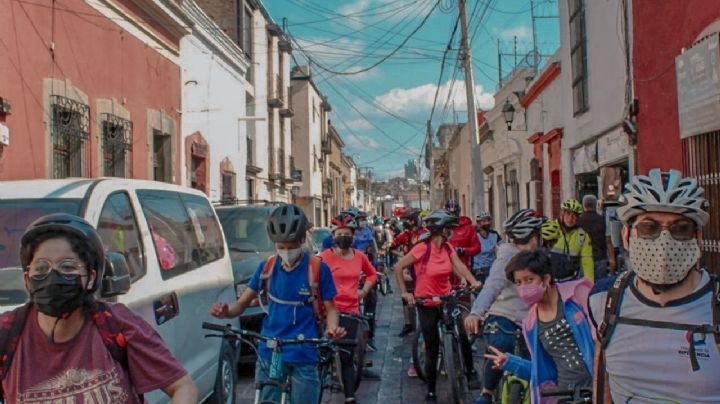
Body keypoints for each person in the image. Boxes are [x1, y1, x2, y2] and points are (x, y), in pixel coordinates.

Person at [0, 214, 197, 402]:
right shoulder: (6, 334)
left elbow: (182, 387)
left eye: (67, 267)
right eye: (41, 268)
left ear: (91, 278)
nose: (53, 277)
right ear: (27, 279)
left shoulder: (116, 325)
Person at [589, 169, 720, 403]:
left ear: (697, 239)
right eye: (649, 228)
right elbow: (603, 387)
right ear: (627, 236)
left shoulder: (715, 304)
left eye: (680, 228)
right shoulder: (605, 300)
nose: (664, 242)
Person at [210, 204, 345, 403]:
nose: (286, 252)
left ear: (301, 241)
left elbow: (331, 309)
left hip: (304, 353)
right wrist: (226, 311)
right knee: (268, 397)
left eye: (291, 247)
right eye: (281, 247)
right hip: (272, 353)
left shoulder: (317, 269)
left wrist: (333, 329)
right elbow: (241, 305)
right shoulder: (267, 268)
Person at [394, 209, 482, 402]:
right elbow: (398, 267)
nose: (451, 231)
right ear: (440, 229)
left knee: (462, 333)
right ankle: (431, 390)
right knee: (431, 347)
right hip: (425, 301)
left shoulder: (448, 248)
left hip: (446, 298)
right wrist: (405, 292)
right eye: (448, 228)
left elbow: (459, 266)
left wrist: (472, 280)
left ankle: (470, 371)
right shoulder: (421, 248)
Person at [485, 250, 595, 402]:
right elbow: (541, 372)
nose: (523, 287)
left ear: (546, 279)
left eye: (529, 279)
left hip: (601, 388)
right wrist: (510, 362)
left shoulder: (578, 295)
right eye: (518, 282)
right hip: (565, 395)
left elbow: (604, 341)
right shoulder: (530, 324)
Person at [464, 208, 546, 404]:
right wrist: (476, 312)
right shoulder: (507, 257)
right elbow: (492, 286)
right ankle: (487, 393)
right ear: (533, 236)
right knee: (500, 345)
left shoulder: (541, 257)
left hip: (534, 318)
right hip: (504, 316)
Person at [319, 213, 377, 402]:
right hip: (327, 309)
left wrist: (364, 291)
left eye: (347, 233)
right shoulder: (323, 257)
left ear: (353, 236)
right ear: (333, 236)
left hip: (351, 309)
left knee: (346, 354)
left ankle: (350, 396)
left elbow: (372, 274)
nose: (342, 237)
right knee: (323, 352)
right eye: (339, 233)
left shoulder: (359, 257)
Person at [389, 207, 425, 338]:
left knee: (424, 301)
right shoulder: (405, 235)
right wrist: (403, 256)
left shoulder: (425, 234)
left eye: (408, 220)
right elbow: (391, 247)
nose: (406, 223)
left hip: (423, 272)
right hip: (408, 272)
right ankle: (408, 324)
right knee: (406, 299)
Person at [547, 199, 595, 282]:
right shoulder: (550, 229)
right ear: (562, 214)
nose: (570, 219)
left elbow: (587, 261)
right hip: (549, 281)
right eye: (568, 214)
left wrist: (589, 283)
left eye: (574, 216)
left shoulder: (582, 236)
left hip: (570, 281)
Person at [577, 194, 609, 280]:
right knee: (601, 286)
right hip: (600, 258)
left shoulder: (578, 221)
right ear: (595, 205)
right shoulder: (602, 220)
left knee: (584, 286)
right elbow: (608, 240)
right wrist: (612, 258)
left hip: (584, 259)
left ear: (583, 205)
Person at [445, 199, 481, 274]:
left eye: (454, 213)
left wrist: (463, 250)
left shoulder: (468, 228)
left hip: (463, 268)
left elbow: (477, 248)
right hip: (445, 269)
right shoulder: (442, 228)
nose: (452, 217)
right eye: (450, 214)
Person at [472, 211, 502, 284]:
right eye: (484, 221)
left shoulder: (494, 234)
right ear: (479, 223)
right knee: (479, 292)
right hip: (478, 269)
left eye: (489, 220)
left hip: (492, 267)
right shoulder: (474, 235)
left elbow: (502, 246)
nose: (487, 223)